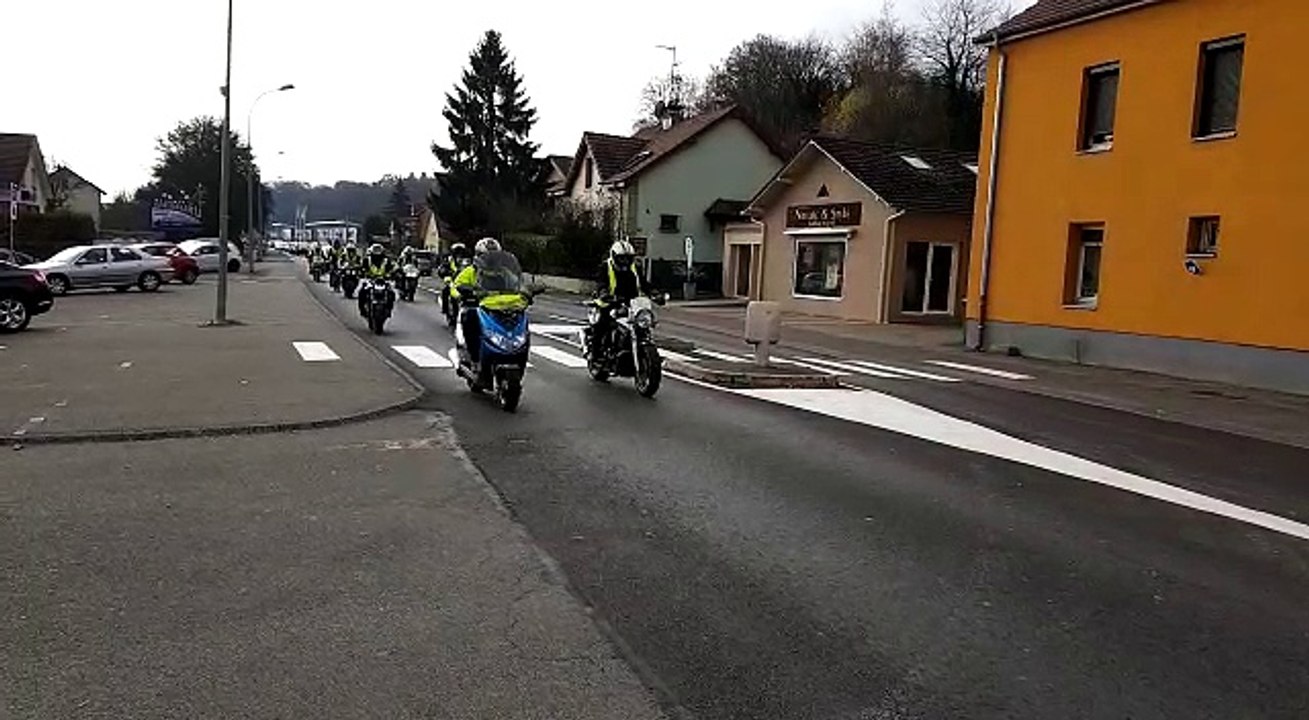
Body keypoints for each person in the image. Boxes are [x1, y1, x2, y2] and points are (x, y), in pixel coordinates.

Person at [453, 238, 528, 362]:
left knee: (521, 319)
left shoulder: (505, 272)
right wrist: (463, 295)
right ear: (478, 257)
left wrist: (526, 291)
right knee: (468, 316)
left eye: (495, 256)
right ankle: (474, 356)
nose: (491, 259)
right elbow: (456, 286)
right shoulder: (471, 271)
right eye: (486, 256)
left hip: (502, 308)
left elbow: (517, 284)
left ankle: (518, 355)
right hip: (478, 306)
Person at [588, 239, 656, 357]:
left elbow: (644, 284)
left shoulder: (635, 268)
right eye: (621, 258)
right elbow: (601, 282)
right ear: (614, 256)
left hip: (632, 303)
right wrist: (604, 293)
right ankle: (596, 354)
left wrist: (655, 294)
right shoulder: (605, 267)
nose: (625, 262)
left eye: (628, 258)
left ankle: (640, 351)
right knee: (602, 325)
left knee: (642, 324)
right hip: (609, 303)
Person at [359, 244, 396, 314]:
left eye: (379, 254)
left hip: (383, 280)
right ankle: (362, 309)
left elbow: (391, 268)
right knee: (362, 292)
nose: (377, 256)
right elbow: (362, 267)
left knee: (391, 293)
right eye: (375, 254)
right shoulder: (367, 260)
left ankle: (389, 309)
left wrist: (392, 274)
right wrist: (362, 273)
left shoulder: (386, 260)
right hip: (371, 280)